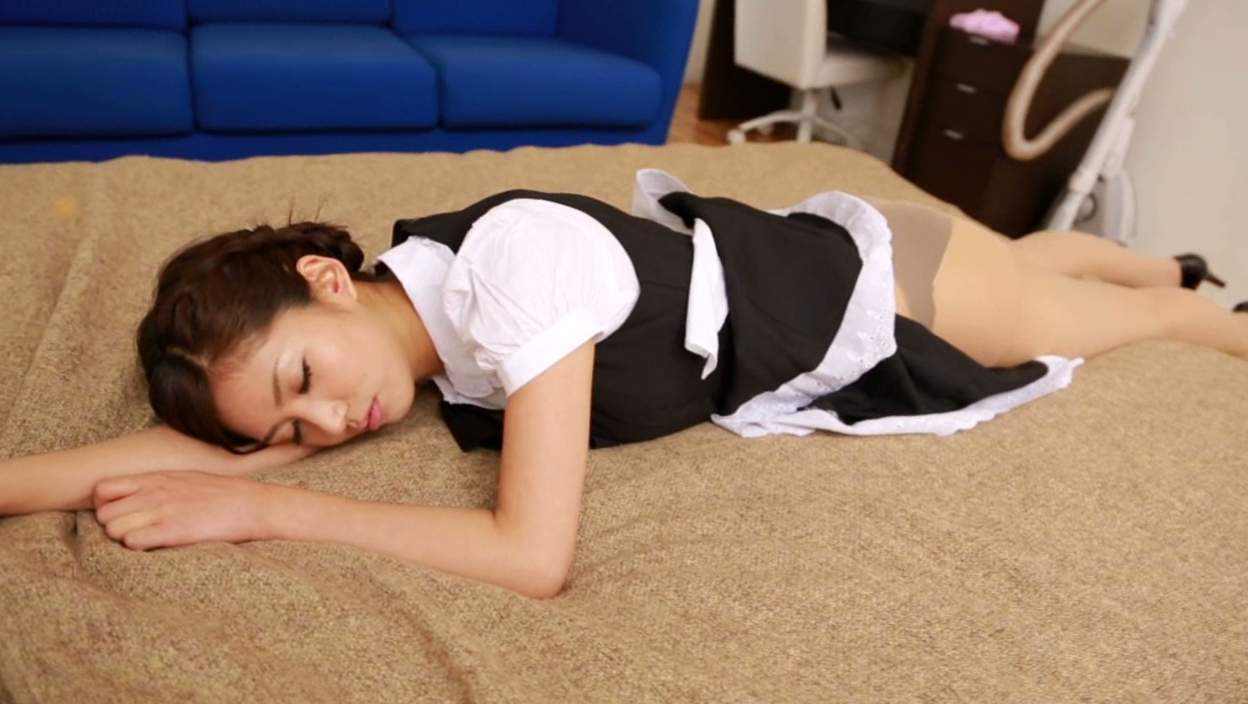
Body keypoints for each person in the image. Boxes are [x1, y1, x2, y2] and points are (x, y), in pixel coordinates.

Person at [1, 169, 1245, 599]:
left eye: (303, 381)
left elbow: (532, 554)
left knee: (1138, 326)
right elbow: (220, 449)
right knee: (1042, 262)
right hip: (863, 256)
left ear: (327, 279)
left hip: (889, 289)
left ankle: (1192, 295)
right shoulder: (398, 332)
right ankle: (1155, 256)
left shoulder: (511, 274)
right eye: (289, 424)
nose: (323, 425)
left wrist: (271, 508)